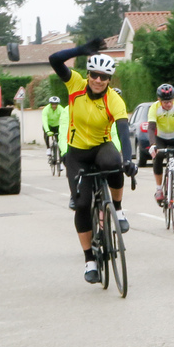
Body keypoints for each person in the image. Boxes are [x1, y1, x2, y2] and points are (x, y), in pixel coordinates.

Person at [48, 39, 136, 284]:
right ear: (88, 75)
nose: (98, 80)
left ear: (109, 80)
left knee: (114, 162)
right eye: (94, 75)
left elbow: (123, 131)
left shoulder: (114, 100)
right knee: (82, 203)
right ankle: (89, 260)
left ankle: (117, 209)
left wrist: (128, 159)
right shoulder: (75, 84)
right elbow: (54, 60)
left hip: (101, 147)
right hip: (77, 154)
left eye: (104, 77)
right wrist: (79, 50)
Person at [147, 83, 174, 211]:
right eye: (165, 102)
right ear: (159, 100)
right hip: (161, 138)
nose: (168, 104)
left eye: (170, 101)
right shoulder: (154, 108)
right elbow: (151, 128)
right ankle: (159, 189)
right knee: (158, 155)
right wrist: (153, 145)